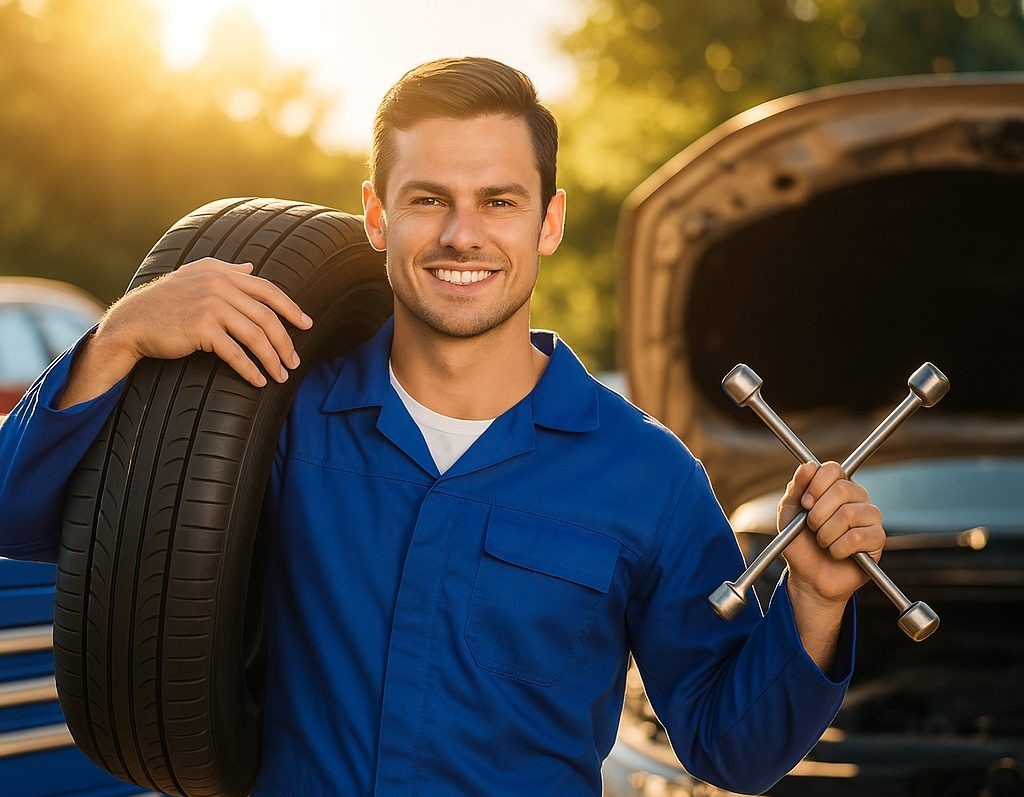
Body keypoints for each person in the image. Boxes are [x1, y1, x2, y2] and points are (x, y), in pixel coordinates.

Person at [0, 57, 885, 796]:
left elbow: (731, 747)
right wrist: (117, 341)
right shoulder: (270, 415)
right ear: (376, 217)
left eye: (499, 201)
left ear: (550, 221)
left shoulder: (647, 477)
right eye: (428, 199)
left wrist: (814, 602)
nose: (463, 235)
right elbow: (24, 518)